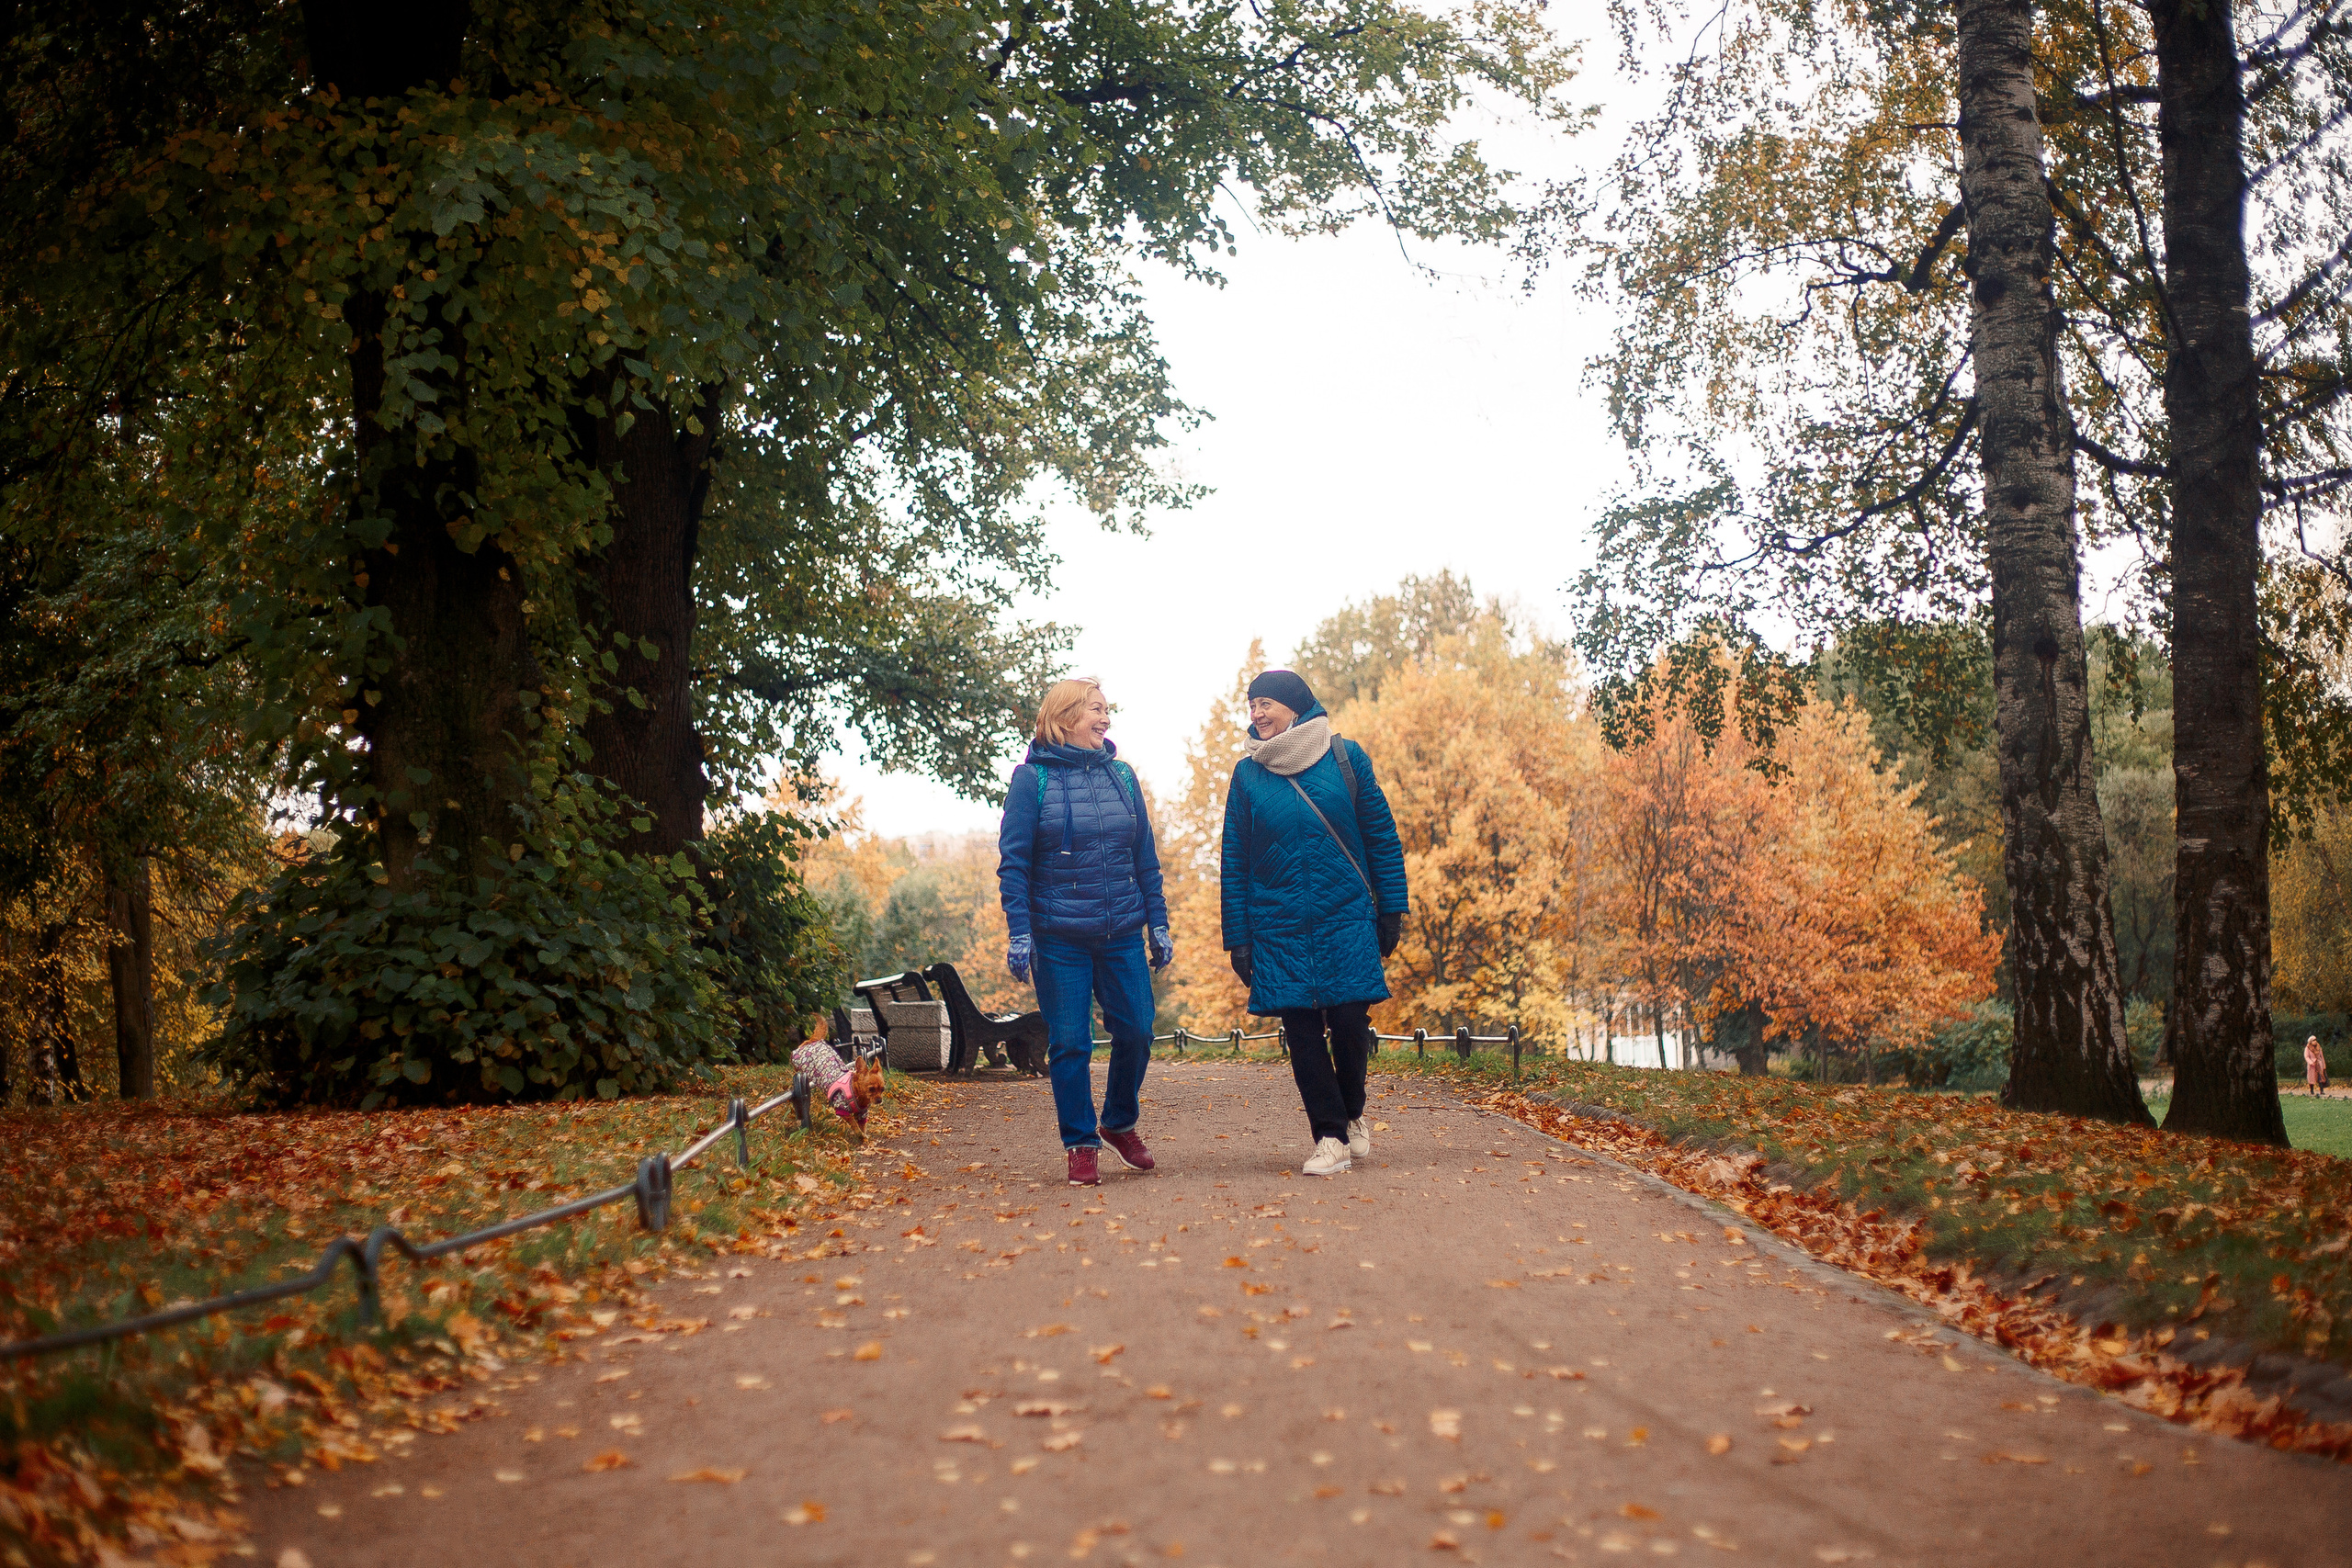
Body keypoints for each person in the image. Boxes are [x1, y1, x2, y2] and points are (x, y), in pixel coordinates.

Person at [1219, 669, 1408, 1177]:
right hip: (1277, 923)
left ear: (1295, 706)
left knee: (1349, 1022)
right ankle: (1330, 1137)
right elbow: (1234, 859)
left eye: (1266, 703)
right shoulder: (1248, 774)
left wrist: (1391, 908)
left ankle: (1351, 1111)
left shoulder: (1346, 758)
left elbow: (1381, 837)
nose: (1256, 713)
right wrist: (1238, 938)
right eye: (1252, 705)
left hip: (1345, 914)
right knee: (1301, 1031)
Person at [997, 677, 1173, 1186]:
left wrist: (1158, 922)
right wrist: (1020, 932)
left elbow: (1145, 857)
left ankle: (1118, 1123)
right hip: (1059, 937)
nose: (1106, 719)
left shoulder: (1123, 776)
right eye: (1096, 709)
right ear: (1065, 716)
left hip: (1121, 931)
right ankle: (1080, 1142)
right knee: (1071, 1042)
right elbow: (1014, 863)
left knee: (1137, 1030)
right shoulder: (1032, 780)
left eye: (1107, 710)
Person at [2307, 1034, 2329, 1099]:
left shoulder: (2319, 1047)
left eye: (2315, 1040)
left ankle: (2321, 1090)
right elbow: (2306, 1056)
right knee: (2312, 1078)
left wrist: (2324, 1065)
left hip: (2319, 1064)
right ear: (2310, 1041)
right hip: (2312, 1065)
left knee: (2321, 1077)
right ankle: (2312, 1090)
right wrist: (2311, 1062)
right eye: (2313, 1040)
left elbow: (2322, 1056)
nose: (2315, 1041)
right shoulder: (2308, 1048)